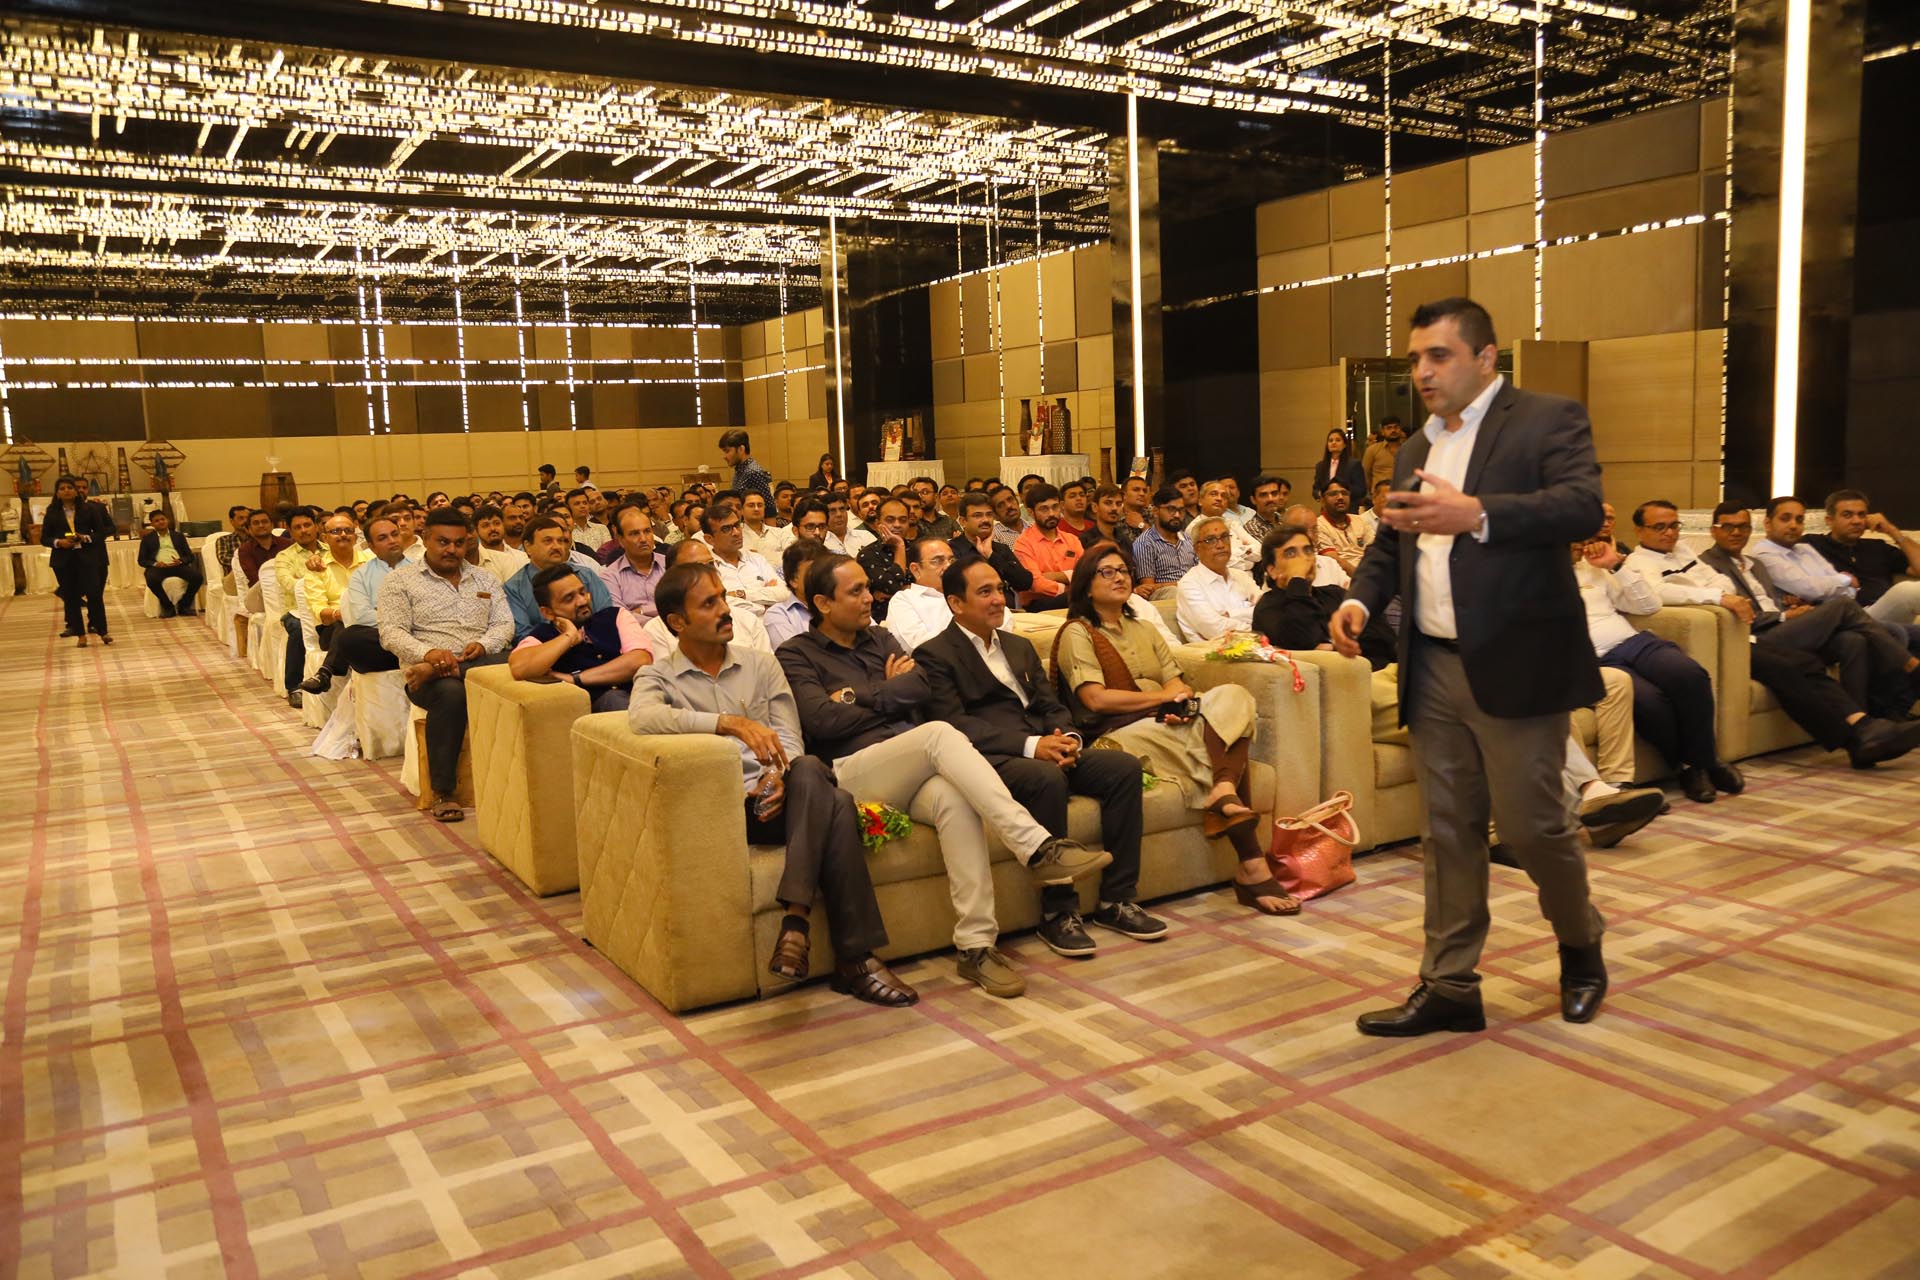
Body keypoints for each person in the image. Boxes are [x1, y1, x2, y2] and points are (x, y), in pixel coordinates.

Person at [1328, 296, 1608, 1035]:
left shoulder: (1546, 419)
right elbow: (1391, 542)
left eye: (1439, 356)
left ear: (1486, 358)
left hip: (1516, 662)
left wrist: (1478, 514)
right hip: (1432, 665)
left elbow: (1582, 507)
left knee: (1532, 827)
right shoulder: (1416, 448)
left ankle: (1581, 943)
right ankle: (1449, 983)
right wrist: (1358, 600)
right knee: (1447, 830)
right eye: (1415, 359)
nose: (1422, 372)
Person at [778, 554, 1111, 998]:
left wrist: (854, 697)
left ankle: (976, 946)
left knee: (956, 801)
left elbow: (920, 687)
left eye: (867, 587)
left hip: (910, 767)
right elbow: (822, 721)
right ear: (822, 603)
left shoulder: (881, 638)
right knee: (938, 732)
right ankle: (1036, 846)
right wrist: (887, 692)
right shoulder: (796, 653)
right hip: (852, 771)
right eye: (855, 591)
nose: (870, 597)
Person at [630, 563, 914, 1005]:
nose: (725, 610)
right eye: (709, 604)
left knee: (813, 773)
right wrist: (728, 723)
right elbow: (643, 718)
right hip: (734, 807)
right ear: (677, 622)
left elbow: (789, 737)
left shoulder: (761, 665)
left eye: (724, 597)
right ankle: (854, 959)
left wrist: (779, 775)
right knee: (836, 802)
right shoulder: (658, 676)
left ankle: (798, 926)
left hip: (787, 795)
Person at [918, 557, 1170, 957]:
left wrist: (1067, 739)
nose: (998, 599)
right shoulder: (934, 655)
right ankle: (1058, 912)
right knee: (1045, 777)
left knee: (1122, 768)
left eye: (999, 589)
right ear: (956, 603)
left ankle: (1117, 900)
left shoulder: (1018, 646)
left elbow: (1051, 705)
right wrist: (1033, 746)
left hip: (1046, 746)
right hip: (994, 758)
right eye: (985, 592)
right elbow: (955, 725)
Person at [1051, 545, 1285, 914]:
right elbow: (1095, 699)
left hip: (1163, 719)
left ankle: (1223, 790)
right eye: (1107, 572)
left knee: (1235, 696)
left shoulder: (1145, 628)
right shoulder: (1077, 633)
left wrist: (1178, 702)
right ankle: (1251, 860)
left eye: (1123, 570)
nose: (1119, 577)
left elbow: (1177, 682)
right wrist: (1162, 700)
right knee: (1212, 739)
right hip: (1114, 735)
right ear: (1086, 586)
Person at [1696, 503, 1920, 767]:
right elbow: (1740, 613)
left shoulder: (1756, 565)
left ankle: (1866, 734)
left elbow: (1773, 599)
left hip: (1783, 625)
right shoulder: (1707, 564)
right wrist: (1784, 616)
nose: (1736, 532)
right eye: (1728, 527)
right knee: (1845, 607)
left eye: (1743, 527)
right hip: (1759, 637)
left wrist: (1789, 606)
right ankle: (1911, 667)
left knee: (1853, 640)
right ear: (1713, 530)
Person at [376, 509, 514, 823]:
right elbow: (391, 633)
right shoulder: (400, 581)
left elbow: (504, 625)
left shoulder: (485, 578)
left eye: (459, 543)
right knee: (451, 692)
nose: (452, 549)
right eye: (443, 542)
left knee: (521, 660)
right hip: (427, 678)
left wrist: (484, 644)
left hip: (483, 662)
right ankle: (443, 791)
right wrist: (429, 655)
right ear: (425, 539)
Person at [509, 564, 653, 713]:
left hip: (642, 696)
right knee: (613, 698)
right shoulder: (543, 635)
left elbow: (641, 661)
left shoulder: (615, 616)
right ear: (547, 612)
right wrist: (568, 636)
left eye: (582, 592)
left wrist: (576, 679)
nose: (582, 601)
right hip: (596, 711)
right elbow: (520, 668)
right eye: (569, 598)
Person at [1253, 525, 1395, 667]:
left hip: (1379, 669)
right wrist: (1297, 579)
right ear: (1273, 571)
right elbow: (1302, 641)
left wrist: (1333, 646)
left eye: (1308, 550)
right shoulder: (1267, 608)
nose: (1304, 559)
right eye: (1291, 554)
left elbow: (1384, 637)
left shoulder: (1335, 593)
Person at [300, 513, 402, 693]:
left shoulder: (373, 561)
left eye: (348, 530)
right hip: (332, 629)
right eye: (336, 531)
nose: (343, 535)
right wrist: (342, 614)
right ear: (325, 538)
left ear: (355, 536)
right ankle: (326, 672)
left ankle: (326, 673)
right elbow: (319, 610)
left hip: (372, 623)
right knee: (347, 623)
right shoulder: (318, 568)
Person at [1806, 489, 1920, 625]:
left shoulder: (1878, 547)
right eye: (1847, 515)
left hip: (1882, 614)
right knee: (1907, 592)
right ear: (1829, 520)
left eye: (1861, 515)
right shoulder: (1811, 544)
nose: (1857, 521)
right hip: (1839, 618)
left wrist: (1892, 531)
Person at [642, 539, 773, 656]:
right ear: (672, 575)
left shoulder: (747, 620)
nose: (707, 572)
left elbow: (768, 671)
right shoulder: (657, 631)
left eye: (711, 564)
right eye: (696, 567)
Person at [505, 516, 614, 642]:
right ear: (528, 546)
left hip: (594, 644)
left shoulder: (586, 575)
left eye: (560, 541)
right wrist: (564, 642)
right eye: (548, 541)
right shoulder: (514, 588)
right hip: (545, 650)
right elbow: (522, 635)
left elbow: (607, 616)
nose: (556, 546)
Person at [43, 475, 114, 645]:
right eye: (62, 489)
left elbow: (100, 533)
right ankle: (80, 635)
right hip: (63, 560)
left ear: (76, 491)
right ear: (57, 493)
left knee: (94, 594)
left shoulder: (89, 509)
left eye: (70, 488)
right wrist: (59, 542)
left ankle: (102, 631)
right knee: (70, 597)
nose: (66, 491)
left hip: (87, 557)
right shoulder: (51, 512)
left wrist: (85, 538)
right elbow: (45, 538)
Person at [1175, 515, 1259, 641]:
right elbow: (1214, 629)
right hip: (1215, 651)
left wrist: (1232, 615)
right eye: (1210, 540)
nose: (1220, 545)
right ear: (1197, 549)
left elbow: (1266, 611)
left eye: (1224, 537)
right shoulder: (1189, 584)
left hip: (1261, 646)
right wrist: (1256, 628)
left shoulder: (1242, 576)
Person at [948, 490, 1035, 601]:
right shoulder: (951, 549)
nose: (985, 520)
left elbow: (1025, 583)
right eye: (977, 515)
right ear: (963, 521)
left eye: (989, 515)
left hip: (1009, 608)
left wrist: (991, 555)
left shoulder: (1000, 549)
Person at [705, 505, 788, 616]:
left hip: (775, 621)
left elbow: (784, 593)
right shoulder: (708, 569)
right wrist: (766, 606)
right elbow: (724, 604)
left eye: (737, 525)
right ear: (709, 539)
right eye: (726, 529)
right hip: (738, 625)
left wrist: (741, 594)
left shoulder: (757, 559)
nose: (736, 532)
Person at [1011, 484, 1083, 608]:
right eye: (1044, 509)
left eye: (1055, 507)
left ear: (1061, 506)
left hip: (1073, 601)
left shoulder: (1072, 540)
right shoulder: (1023, 544)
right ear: (1030, 512)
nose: (1051, 514)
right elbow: (1036, 584)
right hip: (1038, 604)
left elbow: (1086, 574)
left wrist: (1056, 576)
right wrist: (1070, 588)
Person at [883, 536, 957, 653]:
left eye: (951, 560)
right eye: (938, 561)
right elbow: (919, 645)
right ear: (916, 569)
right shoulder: (904, 600)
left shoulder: (965, 593)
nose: (948, 566)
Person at [597, 503, 667, 620]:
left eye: (647, 531)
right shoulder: (609, 577)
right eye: (634, 533)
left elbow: (683, 605)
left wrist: (642, 611)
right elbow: (620, 618)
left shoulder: (670, 565)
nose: (643, 539)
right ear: (621, 540)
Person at [1131, 487, 1198, 600]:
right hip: (1164, 596)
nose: (1177, 515)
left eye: (1181, 510)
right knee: (1174, 592)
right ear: (1155, 511)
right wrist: (1182, 584)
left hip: (1194, 592)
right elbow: (1148, 588)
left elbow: (1200, 574)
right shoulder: (1145, 542)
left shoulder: (1188, 539)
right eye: (1171, 509)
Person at [856, 497, 917, 620]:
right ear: (878, 523)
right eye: (890, 520)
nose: (897, 525)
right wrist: (900, 546)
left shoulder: (918, 550)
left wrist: (905, 589)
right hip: (885, 619)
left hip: (921, 612)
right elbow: (892, 586)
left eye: (903, 520)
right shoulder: (868, 554)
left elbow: (934, 586)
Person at [138, 508, 202, 618]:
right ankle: (167, 606)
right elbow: (142, 560)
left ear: (167, 520)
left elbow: (189, 556)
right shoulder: (147, 539)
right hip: (159, 568)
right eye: (157, 521)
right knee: (151, 579)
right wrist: (155, 564)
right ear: (152, 524)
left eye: (162, 519)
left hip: (178, 566)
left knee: (197, 577)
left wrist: (181, 560)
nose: (161, 522)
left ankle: (184, 605)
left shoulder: (178, 536)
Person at [765, 540, 824, 649]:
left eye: (825, 570)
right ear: (793, 580)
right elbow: (795, 655)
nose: (822, 576)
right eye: (814, 571)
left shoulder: (840, 604)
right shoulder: (779, 614)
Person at [1312, 480, 1371, 574]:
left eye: (1344, 493)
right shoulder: (1318, 525)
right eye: (1333, 494)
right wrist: (1361, 578)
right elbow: (1334, 560)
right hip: (1342, 576)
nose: (1340, 497)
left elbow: (1375, 550)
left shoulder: (1360, 521)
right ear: (1322, 500)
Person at [474, 505, 529, 582]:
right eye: (486, 525)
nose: (493, 528)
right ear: (476, 531)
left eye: (497, 523)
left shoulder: (521, 557)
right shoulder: (474, 560)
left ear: (503, 525)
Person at [718, 428, 772, 501]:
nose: (724, 456)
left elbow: (768, 505)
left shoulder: (754, 472)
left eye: (727, 451)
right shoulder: (740, 470)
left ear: (741, 449)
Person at [1312, 428, 1365, 502]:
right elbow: (1315, 489)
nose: (1333, 443)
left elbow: (1361, 490)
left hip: (1348, 505)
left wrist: (1341, 492)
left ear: (1344, 444)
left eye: (1338, 440)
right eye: (1330, 440)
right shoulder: (1320, 466)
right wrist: (1320, 494)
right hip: (1327, 506)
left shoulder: (1354, 464)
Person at [1361, 417, 1404, 497]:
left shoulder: (1408, 449)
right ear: (1382, 432)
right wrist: (1372, 493)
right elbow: (1365, 475)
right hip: (1379, 496)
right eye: (1389, 428)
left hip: (1403, 494)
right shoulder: (1372, 450)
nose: (1393, 430)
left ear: (1400, 430)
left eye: (1396, 427)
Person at [1242, 475, 1289, 543]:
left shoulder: (1285, 520)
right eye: (1263, 495)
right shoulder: (1252, 527)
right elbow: (1271, 549)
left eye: (1274, 493)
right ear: (1253, 500)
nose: (1270, 499)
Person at [563, 487, 610, 556]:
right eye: (577, 504)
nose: (582, 506)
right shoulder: (566, 532)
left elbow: (609, 552)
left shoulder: (601, 528)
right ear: (568, 508)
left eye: (585, 503)